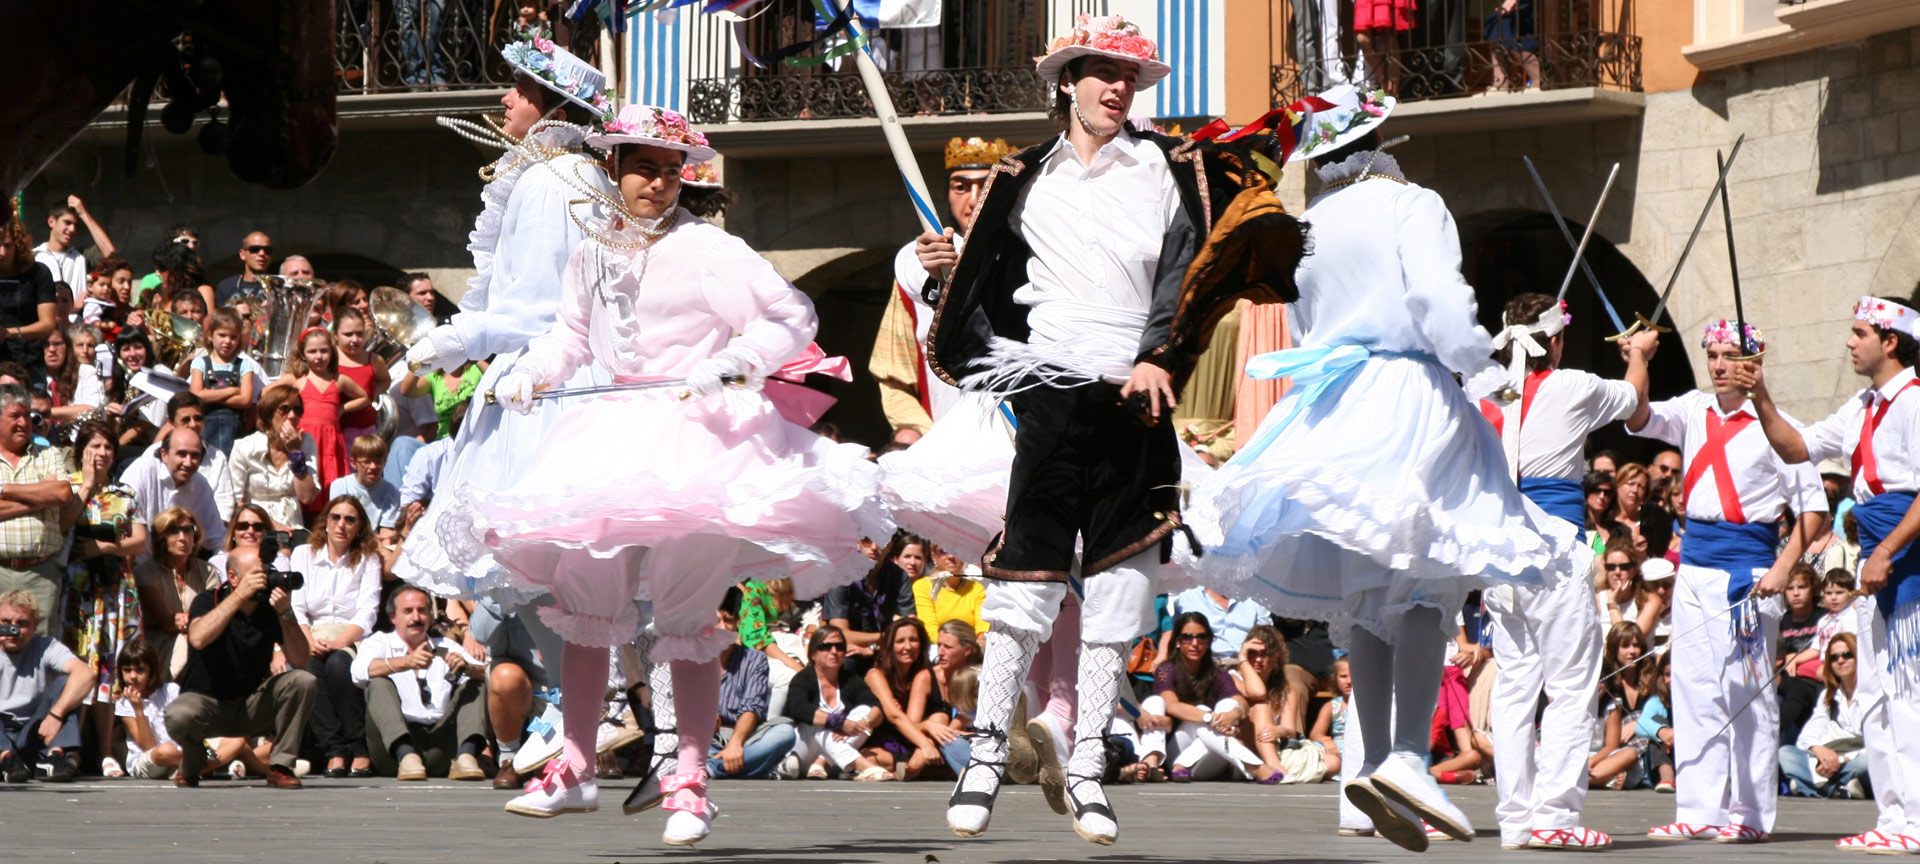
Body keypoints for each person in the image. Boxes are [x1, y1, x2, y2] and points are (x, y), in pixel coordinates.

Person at [469, 99, 890, 845]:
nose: (660, 183)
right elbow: (570, 338)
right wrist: (529, 372)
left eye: (672, 171)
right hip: (604, 433)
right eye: (645, 168)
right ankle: (575, 764)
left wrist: (738, 359)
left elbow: (788, 315)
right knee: (586, 601)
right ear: (614, 169)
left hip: (695, 435)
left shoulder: (708, 249)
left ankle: (689, 779)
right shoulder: (592, 249)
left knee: (687, 613)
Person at [922, 15, 1293, 845]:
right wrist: (951, 276)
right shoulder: (1022, 175)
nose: (1118, 88)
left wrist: (1164, 355)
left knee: (1123, 584)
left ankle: (1089, 764)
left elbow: (1191, 272)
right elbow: (992, 280)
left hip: (1137, 391)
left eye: (1130, 76)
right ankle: (986, 755)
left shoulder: (1170, 167)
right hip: (1051, 389)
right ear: (1069, 81)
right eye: (1103, 72)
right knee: (1026, 580)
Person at [1185, 85, 1578, 853]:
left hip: (1333, 402)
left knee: (1369, 594)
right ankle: (1404, 757)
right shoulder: (1411, 203)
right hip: (1405, 391)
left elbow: (1300, 322)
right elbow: (1437, 297)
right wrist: (1479, 366)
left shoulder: (1307, 224)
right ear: (1380, 145)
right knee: (1430, 575)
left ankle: (1376, 762)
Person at [392, 33, 614, 608]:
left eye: (520, 88)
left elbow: (541, 305)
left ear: (555, 108)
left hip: (547, 388)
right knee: (546, 591)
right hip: (548, 376)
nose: (506, 98)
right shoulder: (562, 172)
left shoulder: (554, 178)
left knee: (548, 579)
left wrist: (457, 339)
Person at [1628, 319, 1828, 844]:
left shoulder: (1778, 425)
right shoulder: (1692, 408)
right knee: (1693, 690)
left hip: (1748, 571)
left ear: (1753, 362)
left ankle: (1751, 813)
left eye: (1730, 356)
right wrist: (1639, 359)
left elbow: (1813, 508)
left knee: (1747, 697)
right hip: (1694, 567)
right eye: (1712, 355)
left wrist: (1784, 567)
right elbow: (1638, 415)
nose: (1718, 366)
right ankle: (1700, 808)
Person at [1734, 294, 1920, 851]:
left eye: (1860, 332)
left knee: (1908, 694)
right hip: (1878, 558)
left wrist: (1887, 551)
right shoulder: (1861, 406)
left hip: (1906, 559)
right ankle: (1894, 818)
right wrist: (1760, 393)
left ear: (1890, 341)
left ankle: (1916, 819)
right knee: (1879, 697)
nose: (1849, 342)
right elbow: (1797, 448)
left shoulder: (1915, 401)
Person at [1473, 291, 1654, 851]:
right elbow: (1635, 402)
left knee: (1515, 688)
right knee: (1571, 687)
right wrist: (1639, 354)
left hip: (1503, 553)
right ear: (1555, 340)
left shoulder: (1487, 392)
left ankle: (1515, 819)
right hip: (1552, 550)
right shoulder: (1572, 385)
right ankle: (1555, 816)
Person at [869, 136, 1007, 437]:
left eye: (985, 185)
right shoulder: (914, 268)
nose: (974, 199)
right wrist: (919, 433)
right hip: (945, 437)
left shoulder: (1027, 256)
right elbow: (893, 371)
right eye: (961, 187)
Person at [162, 546, 316, 788]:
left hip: (250, 706)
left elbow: (300, 660)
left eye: (266, 572)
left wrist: (286, 614)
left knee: (303, 681)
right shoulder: (208, 600)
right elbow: (198, 638)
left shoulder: (270, 609)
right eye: (256, 574)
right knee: (178, 715)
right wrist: (239, 597)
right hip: (207, 704)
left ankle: (281, 766)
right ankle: (193, 763)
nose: (263, 579)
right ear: (233, 577)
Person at [57, 418, 147, 768]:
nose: (102, 452)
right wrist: (86, 486)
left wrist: (105, 547)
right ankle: (72, 748)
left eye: (108, 446)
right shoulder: (67, 487)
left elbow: (139, 540)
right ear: (82, 450)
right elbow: (63, 524)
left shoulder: (125, 494)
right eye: (95, 445)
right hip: (78, 591)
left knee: (110, 666)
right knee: (80, 662)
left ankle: (106, 749)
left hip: (115, 589)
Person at [351, 585, 489, 780]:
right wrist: (405, 662)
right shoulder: (380, 641)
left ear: (430, 616)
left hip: (440, 742)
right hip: (393, 751)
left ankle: (466, 756)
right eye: (408, 611)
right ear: (393, 617)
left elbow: (487, 673)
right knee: (378, 682)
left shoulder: (446, 645)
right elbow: (358, 672)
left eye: (422, 611)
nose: (416, 617)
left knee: (476, 682)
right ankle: (406, 756)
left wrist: (468, 668)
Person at [289, 495, 382, 778]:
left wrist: (339, 642)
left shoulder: (368, 559)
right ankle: (334, 750)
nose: (341, 525)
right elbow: (296, 606)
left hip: (350, 634)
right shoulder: (303, 554)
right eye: (336, 517)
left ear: (359, 526)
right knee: (309, 670)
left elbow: (367, 612)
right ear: (326, 522)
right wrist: (307, 640)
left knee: (339, 666)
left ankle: (359, 748)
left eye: (350, 519)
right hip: (310, 632)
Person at [1138, 612, 1272, 783]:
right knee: (1201, 712)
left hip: (1209, 758)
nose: (1195, 643)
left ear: (1209, 641)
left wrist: (1234, 714)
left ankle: (1182, 765)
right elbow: (1172, 706)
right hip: (1175, 749)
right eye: (1187, 637)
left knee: (1228, 704)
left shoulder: (1216, 673)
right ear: (1177, 641)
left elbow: (1241, 702)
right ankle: (1254, 766)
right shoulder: (1166, 670)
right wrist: (1210, 718)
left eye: (1201, 637)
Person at [0, 589, 95, 782]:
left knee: (67, 683)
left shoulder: (45, 646)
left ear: (35, 625)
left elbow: (86, 674)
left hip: (36, 732)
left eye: (22, 623)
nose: (13, 630)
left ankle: (54, 758)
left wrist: (55, 715)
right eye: (6, 623)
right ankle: (5, 759)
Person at [0, 384, 74, 621]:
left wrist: (5, 489)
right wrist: (40, 499)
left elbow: (62, 493)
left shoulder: (48, 454)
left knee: (40, 641)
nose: (24, 422)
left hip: (41, 574)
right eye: (15, 416)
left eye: (27, 415)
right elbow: (53, 495)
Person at [706, 600, 797, 781]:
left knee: (785, 733)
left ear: (736, 625)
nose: (722, 627)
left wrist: (735, 744)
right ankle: (762, 768)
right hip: (706, 737)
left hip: (745, 736)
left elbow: (752, 707)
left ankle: (713, 767)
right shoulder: (692, 659)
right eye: (716, 621)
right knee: (679, 738)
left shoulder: (754, 659)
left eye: (728, 621)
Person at [273, 328, 366, 503]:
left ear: (332, 352)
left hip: (330, 441)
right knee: (308, 472)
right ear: (303, 354)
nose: (319, 356)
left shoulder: (338, 380)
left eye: (324, 351)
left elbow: (364, 396)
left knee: (331, 483)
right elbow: (266, 394)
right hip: (305, 438)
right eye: (312, 351)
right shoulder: (297, 379)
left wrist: (343, 408)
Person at [783, 624, 885, 780]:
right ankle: (864, 766)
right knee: (819, 723)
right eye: (826, 647)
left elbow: (877, 708)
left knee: (865, 711)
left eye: (839, 647)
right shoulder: (803, 679)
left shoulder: (851, 680)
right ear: (813, 654)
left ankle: (821, 763)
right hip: (804, 751)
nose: (834, 651)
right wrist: (839, 723)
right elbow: (799, 709)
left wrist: (861, 723)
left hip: (836, 755)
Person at [132, 507, 220, 679]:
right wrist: (199, 623)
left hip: (200, 636)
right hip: (159, 641)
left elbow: (215, 613)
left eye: (188, 530)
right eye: (174, 531)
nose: (183, 537)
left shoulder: (207, 571)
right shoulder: (145, 571)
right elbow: (168, 621)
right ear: (161, 538)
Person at [1778, 632, 1869, 798]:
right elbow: (1810, 731)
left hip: (1856, 756)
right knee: (1786, 753)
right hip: (1830, 754)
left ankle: (1814, 786)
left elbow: (1878, 742)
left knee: (1868, 761)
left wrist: (1841, 760)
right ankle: (1840, 788)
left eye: (1847, 655)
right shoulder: (1828, 695)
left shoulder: (1872, 694)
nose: (1840, 661)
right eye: (1834, 657)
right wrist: (1817, 749)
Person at [121, 426, 227, 561]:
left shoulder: (201, 485)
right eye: (182, 454)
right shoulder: (142, 471)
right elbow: (122, 524)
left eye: (195, 456)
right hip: (138, 564)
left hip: (181, 566)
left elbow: (218, 538)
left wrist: (219, 567)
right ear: (164, 454)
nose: (188, 462)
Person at [227, 385, 320, 533]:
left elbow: (307, 497)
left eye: (297, 410)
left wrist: (296, 454)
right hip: (255, 528)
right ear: (269, 414)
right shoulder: (245, 447)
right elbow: (235, 501)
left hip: (294, 528)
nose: (292, 416)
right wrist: (271, 524)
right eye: (284, 409)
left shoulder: (306, 442)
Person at [861, 617, 943, 781]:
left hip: (915, 740)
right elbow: (894, 716)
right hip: (886, 742)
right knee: (869, 758)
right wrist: (926, 744)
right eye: (900, 641)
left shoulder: (925, 675)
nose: (908, 646)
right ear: (890, 646)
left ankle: (910, 770)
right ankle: (918, 768)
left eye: (913, 640)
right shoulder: (876, 675)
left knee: (939, 718)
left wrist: (927, 728)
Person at [187, 309, 262, 456]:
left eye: (233, 337)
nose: (227, 341)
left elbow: (245, 400)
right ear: (210, 335)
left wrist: (209, 395)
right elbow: (196, 395)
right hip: (207, 426)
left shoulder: (244, 365)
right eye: (222, 335)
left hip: (234, 429)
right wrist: (232, 391)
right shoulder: (200, 363)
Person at [1233, 624, 1303, 780]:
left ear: (1276, 657)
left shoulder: (1286, 690)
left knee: (1332, 762)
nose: (1258, 659)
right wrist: (1242, 659)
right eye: (1252, 653)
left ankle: (1273, 766)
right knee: (1261, 706)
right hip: (1242, 749)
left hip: (1275, 748)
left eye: (1265, 654)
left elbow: (1291, 730)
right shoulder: (1234, 679)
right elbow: (1258, 693)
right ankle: (1274, 767)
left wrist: (1279, 731)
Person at [1588, 621, 1645, 790]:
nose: (1598, 685)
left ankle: (1589, 779)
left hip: (1601, 757)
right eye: (1625, 645)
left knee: (1629, 754)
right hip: (1576, 757)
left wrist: (1592, 761)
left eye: (1602, 680)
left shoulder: (1612, 706)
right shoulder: (1573, 704)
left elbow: (1611, 746)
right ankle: (1604, 779)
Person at [0, 215, 60, 371]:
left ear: (18, 245)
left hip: (28, 363)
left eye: (7, 245)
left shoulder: (38, 273)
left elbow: (48, 325)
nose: (2, 252)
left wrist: (10, 333)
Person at [1777, 562, 1828, 745]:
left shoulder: (1825, 617)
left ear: (1813, 589)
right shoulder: (1780, 622)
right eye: (1790, 588)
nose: (1796, 593)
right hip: (1789, 682)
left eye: (1802, 587)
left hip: (1818, 678)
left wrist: (1796, 658)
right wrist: (1785, 657)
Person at [331, 434, 401, 550]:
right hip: (346, 541)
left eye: (378, 461)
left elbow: (386, 533)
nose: (373, 466)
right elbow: (338, 523)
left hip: (376, 546)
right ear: (353, 463)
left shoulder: (391, 492)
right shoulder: (341, 486)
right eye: (366, 462)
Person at [1170, 586, 1272, 662]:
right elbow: (1175, 636)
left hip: (1246, 664)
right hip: (1204, 665)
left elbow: (1265, 636)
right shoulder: (1187, 598)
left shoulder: (1257, 598)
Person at [331, 309, 389, 443]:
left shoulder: (374, 360)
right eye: (348, 334)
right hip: (333, 426)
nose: (355, 339)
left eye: (359, 334)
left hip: (363, 429)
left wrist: (372, 394)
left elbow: (385, 380)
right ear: (335, 335)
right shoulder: (329, 358)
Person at [33, 199, 114, 292]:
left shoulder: (80, 256)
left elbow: (108, 250)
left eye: (75, 225)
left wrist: (83, 213)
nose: (72, 229)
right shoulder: (34, 256)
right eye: (67, 223)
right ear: (51, 222)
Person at [913, 548, 986, 641]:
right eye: (943, 551)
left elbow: (983, 626)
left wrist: (980, 642)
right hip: (939, 646)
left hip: (971, 646)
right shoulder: (923, 586)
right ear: (934, 557)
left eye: (957, 551)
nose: (951, 556)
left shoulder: (977, 588)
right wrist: (952, 645)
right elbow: (929, 629)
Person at [42, 326, 102, 422]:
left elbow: (92, 409)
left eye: (57, 344)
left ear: (67, 346)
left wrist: (44, 412)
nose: (52, 349)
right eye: (46, 345)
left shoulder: (85, 371)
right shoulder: (31, 376)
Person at [1309, 656, 1352, 777]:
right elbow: (1315, 734)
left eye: (1353, 676)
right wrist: (1326, 741)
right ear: (1335, 679)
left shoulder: (1369, 705)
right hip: (1337, 749)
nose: (1349, 681)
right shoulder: (1332, 706)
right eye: (1343, 676)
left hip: (1359, 746)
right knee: (1315, 748)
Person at [215, 231, 275, 306]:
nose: (262, 253)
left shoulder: (279, 286)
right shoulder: (226, 286)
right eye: (255, 249)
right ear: (242, 254)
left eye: (268, 250)